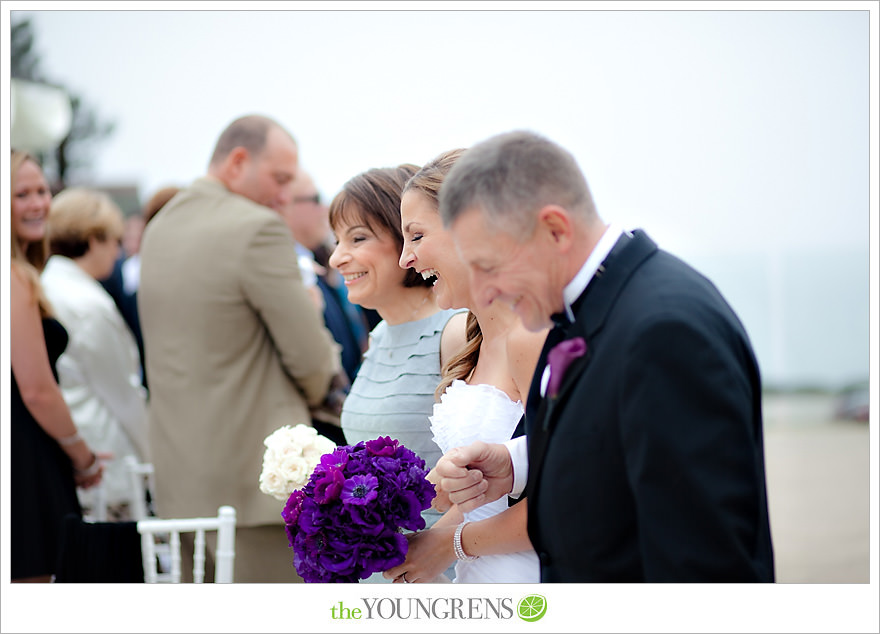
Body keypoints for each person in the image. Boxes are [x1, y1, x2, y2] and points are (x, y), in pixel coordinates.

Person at [432, 130, 775, 582]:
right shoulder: (583, 310)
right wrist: (515, 464)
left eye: (489, 266)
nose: (483, 291)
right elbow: (618, 448)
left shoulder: (665, 329)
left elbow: (702, 553)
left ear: (555, 229)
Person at [138, 114, 341, 582]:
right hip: (255, 481)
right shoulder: (258, 229)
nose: (285, 195)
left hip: (179, 481)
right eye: (280, 178)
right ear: (237, 161)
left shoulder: (161, 226)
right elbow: (311, 361)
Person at [382, 149, 547, 584]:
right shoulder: (466, 338)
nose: (405, 260)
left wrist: (449, 544)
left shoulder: (532, 338)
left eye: (416, 236)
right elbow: (481, 496)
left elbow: (565, 501)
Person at [327, 164, 468, 581]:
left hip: (441, 571)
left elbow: (496, 483)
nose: (337, 257)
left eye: (357, 238)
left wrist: (437, 547)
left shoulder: (455, 332)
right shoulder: (380, 337)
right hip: (380, 572)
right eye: (337, 241)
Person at [10, 150, 104, 582]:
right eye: (20, 194)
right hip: (25, 464)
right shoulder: (13, 278)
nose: (37, 203)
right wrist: (82, 457)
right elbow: (37, 389)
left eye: (42, 190)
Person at [41, 187, 151, 521]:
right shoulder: (87, 304)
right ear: (92, 239)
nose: (117, 252)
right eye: (114, 241)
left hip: (73, 452)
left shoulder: (47, 284)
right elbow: (122, 393)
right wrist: (153, 461)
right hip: (103, 461)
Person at [279, 169, 371, 445]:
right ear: (285, 205)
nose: (324, 208)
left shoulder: (322, 262)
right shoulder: (285, 271)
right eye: (315, 198)